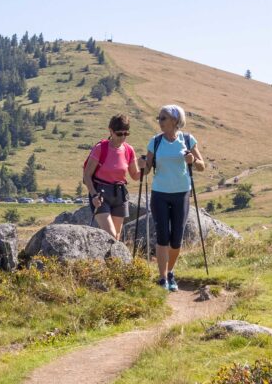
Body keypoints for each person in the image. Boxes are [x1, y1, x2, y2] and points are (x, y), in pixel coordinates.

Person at [139, 104, 206, 290]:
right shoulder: (155, 141)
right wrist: (142, 164)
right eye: (159, 118)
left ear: (175, 121)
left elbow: (202, 166)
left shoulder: (188, 139)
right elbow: (146, 171)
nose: (159, 122)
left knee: (176, 238)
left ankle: (170, 272)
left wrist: (193, 160)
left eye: (163, 118)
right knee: (162, 237)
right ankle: (162, 279)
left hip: (181, 193)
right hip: (159, 193)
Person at [82, 114, 141, 240]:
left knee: (116, 238)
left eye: (126, 134)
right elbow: (87, 175)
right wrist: (93, 195)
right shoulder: (100, 148)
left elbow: (136, 176)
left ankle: (110, 260)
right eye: (119, 134)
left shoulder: (129, 150)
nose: (123, 137)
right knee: (111, 236)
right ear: (111, 131)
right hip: (100, 193)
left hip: (120, 194)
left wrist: (147, 166)